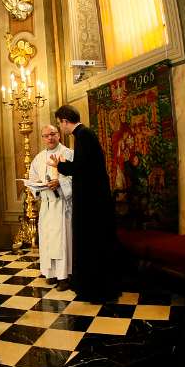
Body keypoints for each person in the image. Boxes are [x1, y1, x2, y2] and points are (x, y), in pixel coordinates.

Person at [49, 104, 121, 302]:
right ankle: (91, 284)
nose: (60, 128)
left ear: (65, 121)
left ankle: (95, 288)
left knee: (91, 242)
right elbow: (85, 167)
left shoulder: (83, 135)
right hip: (93, 198)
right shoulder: (83, 135)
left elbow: (81, 168)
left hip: (92, 202)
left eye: (59, 123)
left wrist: (59, 165)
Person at [29, 124, 73, 291]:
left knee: (61, 241)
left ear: (59, 135)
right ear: (42, 138)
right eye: (46, 135)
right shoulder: (39, 158)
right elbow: (32, 178)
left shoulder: (68, 154)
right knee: (47, 241)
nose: (50, 138)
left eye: (53, 134)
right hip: (46, 205)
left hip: (62, 205)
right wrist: (37, 186)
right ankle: (51, 273)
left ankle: (64, 276)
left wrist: (59, 182)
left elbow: (76, 177)